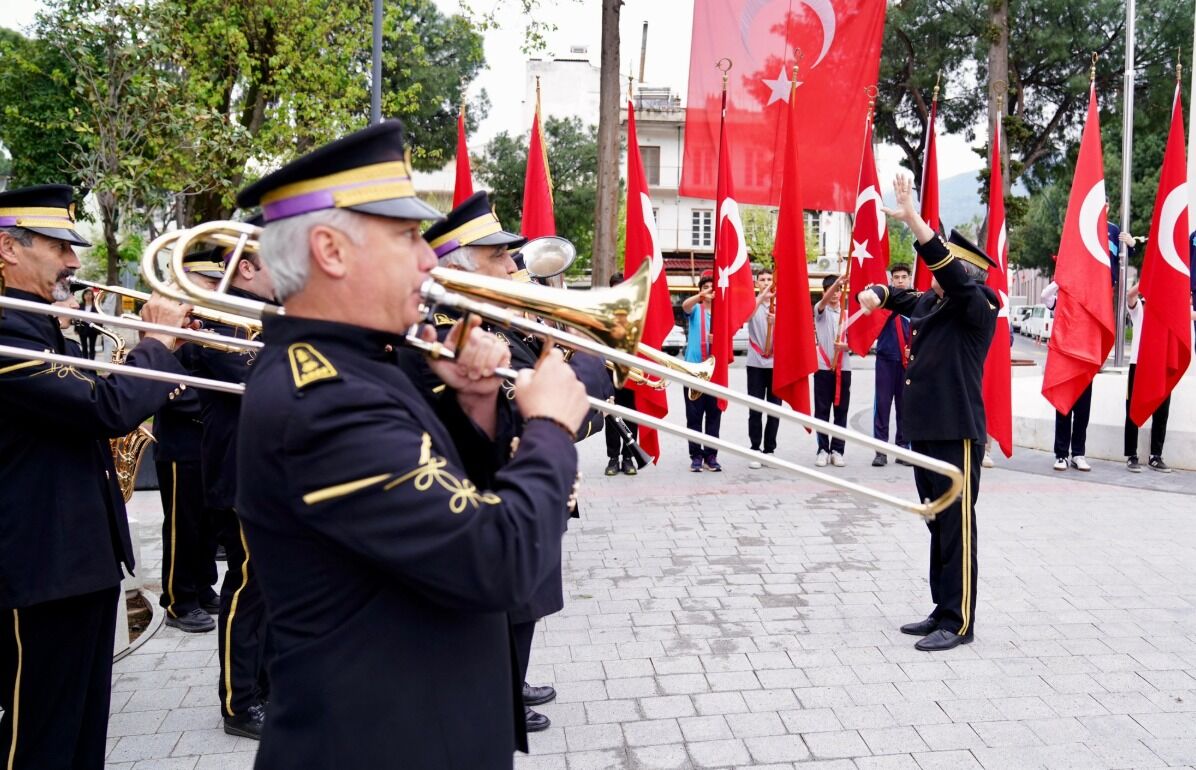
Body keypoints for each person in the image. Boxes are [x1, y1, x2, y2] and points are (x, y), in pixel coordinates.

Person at [234, 120, 591, 769]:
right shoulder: (325, 399)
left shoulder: (361, 364)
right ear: (330, 251)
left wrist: (475, 407)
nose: (429, 259)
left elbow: (444, 499)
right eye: (405, 237)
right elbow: (498, 561)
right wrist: (550, 428)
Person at [0, 183, 192, 768]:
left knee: (81, 731)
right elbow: (104, 408)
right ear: (7, 247)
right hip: (37, 568)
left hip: (78, 561)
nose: (73, 262)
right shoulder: (7, 332)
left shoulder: (37, 325)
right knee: (39, 737)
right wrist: (156, 343)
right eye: (59, 246)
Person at [423, 189, 610, 733]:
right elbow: (531, 411)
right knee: (512, 603)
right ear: (459, 267)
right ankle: (499, 697)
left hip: (526, 487)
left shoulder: (497, 322)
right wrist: (591, 357)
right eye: (499, 256)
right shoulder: (459, 331)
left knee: (527, 600)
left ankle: (511, 681)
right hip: (500, 492)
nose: (513, 266)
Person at [856, 175, 998, 652]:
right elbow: (898, 297)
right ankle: (942, 608)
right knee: (937, 523)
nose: (930, 272)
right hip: (926, 431)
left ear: (964, 273)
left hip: (956, 431)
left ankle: (959, 622)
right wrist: (876, 292)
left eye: (942, 265)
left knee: (957, 525)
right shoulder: (935, 302)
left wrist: (914, 220)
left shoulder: (977, 305)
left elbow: (949, 275)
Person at [180, 239, 277, 737]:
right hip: (241, 474)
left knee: (273, 587)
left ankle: (268, 687)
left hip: (277, 472)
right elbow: (263, 378)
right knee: (248, 587)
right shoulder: (214, 321)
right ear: (245, 269)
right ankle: (240, 703)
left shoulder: (270, 316)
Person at [153, 249, 228, 635]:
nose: (217, 288)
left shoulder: (211, 320)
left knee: (208, 522)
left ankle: (202, 586)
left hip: (207, 436)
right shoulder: (167, 324)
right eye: (209, 282)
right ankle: (178, 601)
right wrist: (214, 404)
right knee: (183, 525)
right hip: (182, 437)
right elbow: (167, 384)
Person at [1041, 280, 1093, 472]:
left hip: (1084, 365)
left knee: (1082, 413)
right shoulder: (1060, 301)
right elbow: (1045, 296)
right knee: (1063, 410)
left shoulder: (1089, 304)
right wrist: (1062, 279)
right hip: (1064, 365)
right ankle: (1061, 454)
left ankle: (1078, 454)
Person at [872, 263, 912, 467]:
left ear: (909, 279)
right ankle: (881, 451)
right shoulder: (884, 301)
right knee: (882, 406)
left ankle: (903, 449)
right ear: (891, 280)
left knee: (905, 408)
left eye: (904, 277)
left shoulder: (916, 302)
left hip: (907, 363)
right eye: (896, 277)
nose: (900, 281)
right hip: (886, 360)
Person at [681, 273, 721, 471]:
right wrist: (702, 295)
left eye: (712, 287)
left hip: (715, 372)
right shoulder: (696, 309)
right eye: (705, 287)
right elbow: (685, 305)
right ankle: (696, 455)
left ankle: (711, 455)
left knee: (714, 416)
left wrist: (718, 340)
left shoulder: (722, 314)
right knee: (694, 416)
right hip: (693, 370)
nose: (709, 290)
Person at [602, 271, 640, 475]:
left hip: (631, 372)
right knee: (611, 416)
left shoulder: (636, 313)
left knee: (631, 415)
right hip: (609, 372)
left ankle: (628, 457)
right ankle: (612, 458)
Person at [814, 273, 851, 467]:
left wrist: (846, 346)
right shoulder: (820, 311)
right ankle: (822, 449)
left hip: (844, 369)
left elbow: (857, 342)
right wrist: (837, 282)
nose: (835, 294)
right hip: (823, 367)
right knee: (821, 410)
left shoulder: (848, 314)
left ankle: (837, 450)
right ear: (825, 292)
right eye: (831, 290)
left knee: (841, 411)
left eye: (838, 290)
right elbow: (823, 302)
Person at [745, 267, 779, 467]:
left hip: (776, 364)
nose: (766, 283)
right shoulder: (752, 303)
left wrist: (778, 320)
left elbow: (792, 329)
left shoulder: (781, 305)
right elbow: (745, 317)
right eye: (762, 280)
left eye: (769, 279)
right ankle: (755, 448)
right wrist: (761, 297)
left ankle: (770, 449)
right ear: (757, 283)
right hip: (755, 363)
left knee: (774, 409)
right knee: (755, 408)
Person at [73, 287, 101, 359]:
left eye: (90, 294)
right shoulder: (80, 305)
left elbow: (99, 318)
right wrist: (76, 329)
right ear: (83, 296)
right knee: (84, 346)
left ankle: (91, 362)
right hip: (82, 328)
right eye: (86, 294)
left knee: (92, 347)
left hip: (93, 329)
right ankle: (85, 361)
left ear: (92, 296)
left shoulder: (96, 306)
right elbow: (77, 318)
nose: (88, 296)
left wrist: (99, 329)